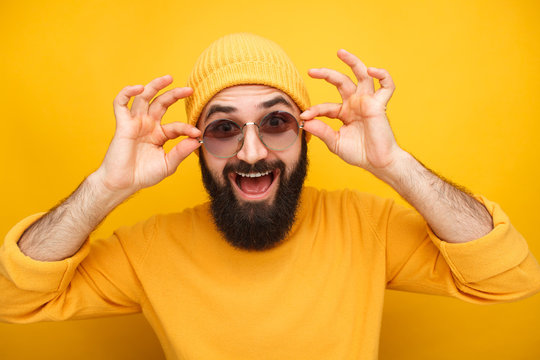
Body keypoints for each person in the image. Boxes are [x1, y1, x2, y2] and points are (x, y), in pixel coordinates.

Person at [1, 33, 539, 359]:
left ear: (306, 133)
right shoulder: (149, 248)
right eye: (224, 128)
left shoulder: (363, 226)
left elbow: (512, 279)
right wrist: (105, 188)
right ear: (195, 142)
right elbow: (12, 301)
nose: (252, 152)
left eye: (276, 122)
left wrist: (393, 165)